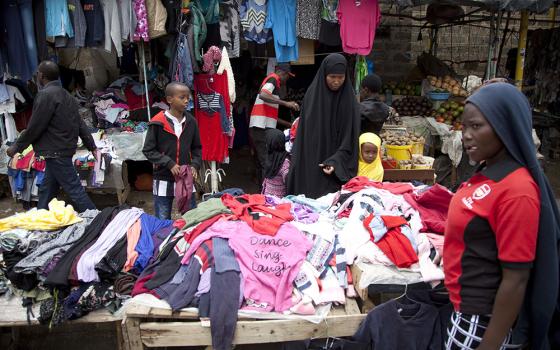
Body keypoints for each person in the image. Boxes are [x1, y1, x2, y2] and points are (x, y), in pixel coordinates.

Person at [443, 83, 559, 350]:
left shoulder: (517, 191)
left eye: (476, 126)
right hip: (464, 309)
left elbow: (516, 279)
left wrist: (489, 345)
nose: (466, 136)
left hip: (481, 323)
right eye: (464, 127)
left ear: (505, 126)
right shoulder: (490, 170)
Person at [6, 61, 97, 212]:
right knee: (47, 189)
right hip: (60, 150)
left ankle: (98, 221)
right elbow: (80, 124)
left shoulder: (45, 95)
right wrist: (91, 145)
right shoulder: (67, 96)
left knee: (75, 191)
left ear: (41, 76)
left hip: (56, 151)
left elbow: (35, 127)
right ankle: (40, 216)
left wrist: (16, 147)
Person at [287, 53, 360, 198]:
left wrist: (336, 161)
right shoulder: (312, 97)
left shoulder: (349, 101)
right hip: (312, 161)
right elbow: (305, 136)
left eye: (341, 77)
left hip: (335, 170)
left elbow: (350, 138)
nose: (336, 81)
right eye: (332, 77)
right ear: (324, 74)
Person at [142, 82, 202, 220]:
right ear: (169, 99)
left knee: (190, 217)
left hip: (185, 177)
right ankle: (164, 240)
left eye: (188, 97)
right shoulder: (157, 122)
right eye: (182, 97)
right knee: (162, 218)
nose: (187, 100)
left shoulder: (191, 122)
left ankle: (188, 240)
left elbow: (197, 147)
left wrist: (195, 165)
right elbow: (148, 150)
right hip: (163, 177)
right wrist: (169, 163)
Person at [249, 64, 299, 187]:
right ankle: (266, 191)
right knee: (265, 161)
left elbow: (271, 116)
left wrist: (290, 124)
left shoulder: (272, 82)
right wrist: (286, 103)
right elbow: (263, 95)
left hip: (260, 126)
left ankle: (262, 190)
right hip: (260, 127)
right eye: (288, 76)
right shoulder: (273, 78)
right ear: (282, 73)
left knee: (262, 161)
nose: (287, 79)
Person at [261, 128, 290, 198]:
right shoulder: (270, 157)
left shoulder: (284, 162)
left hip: (278, 203)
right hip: (266, 199)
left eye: (267, 142)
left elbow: (289, 182)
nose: (266, 144)